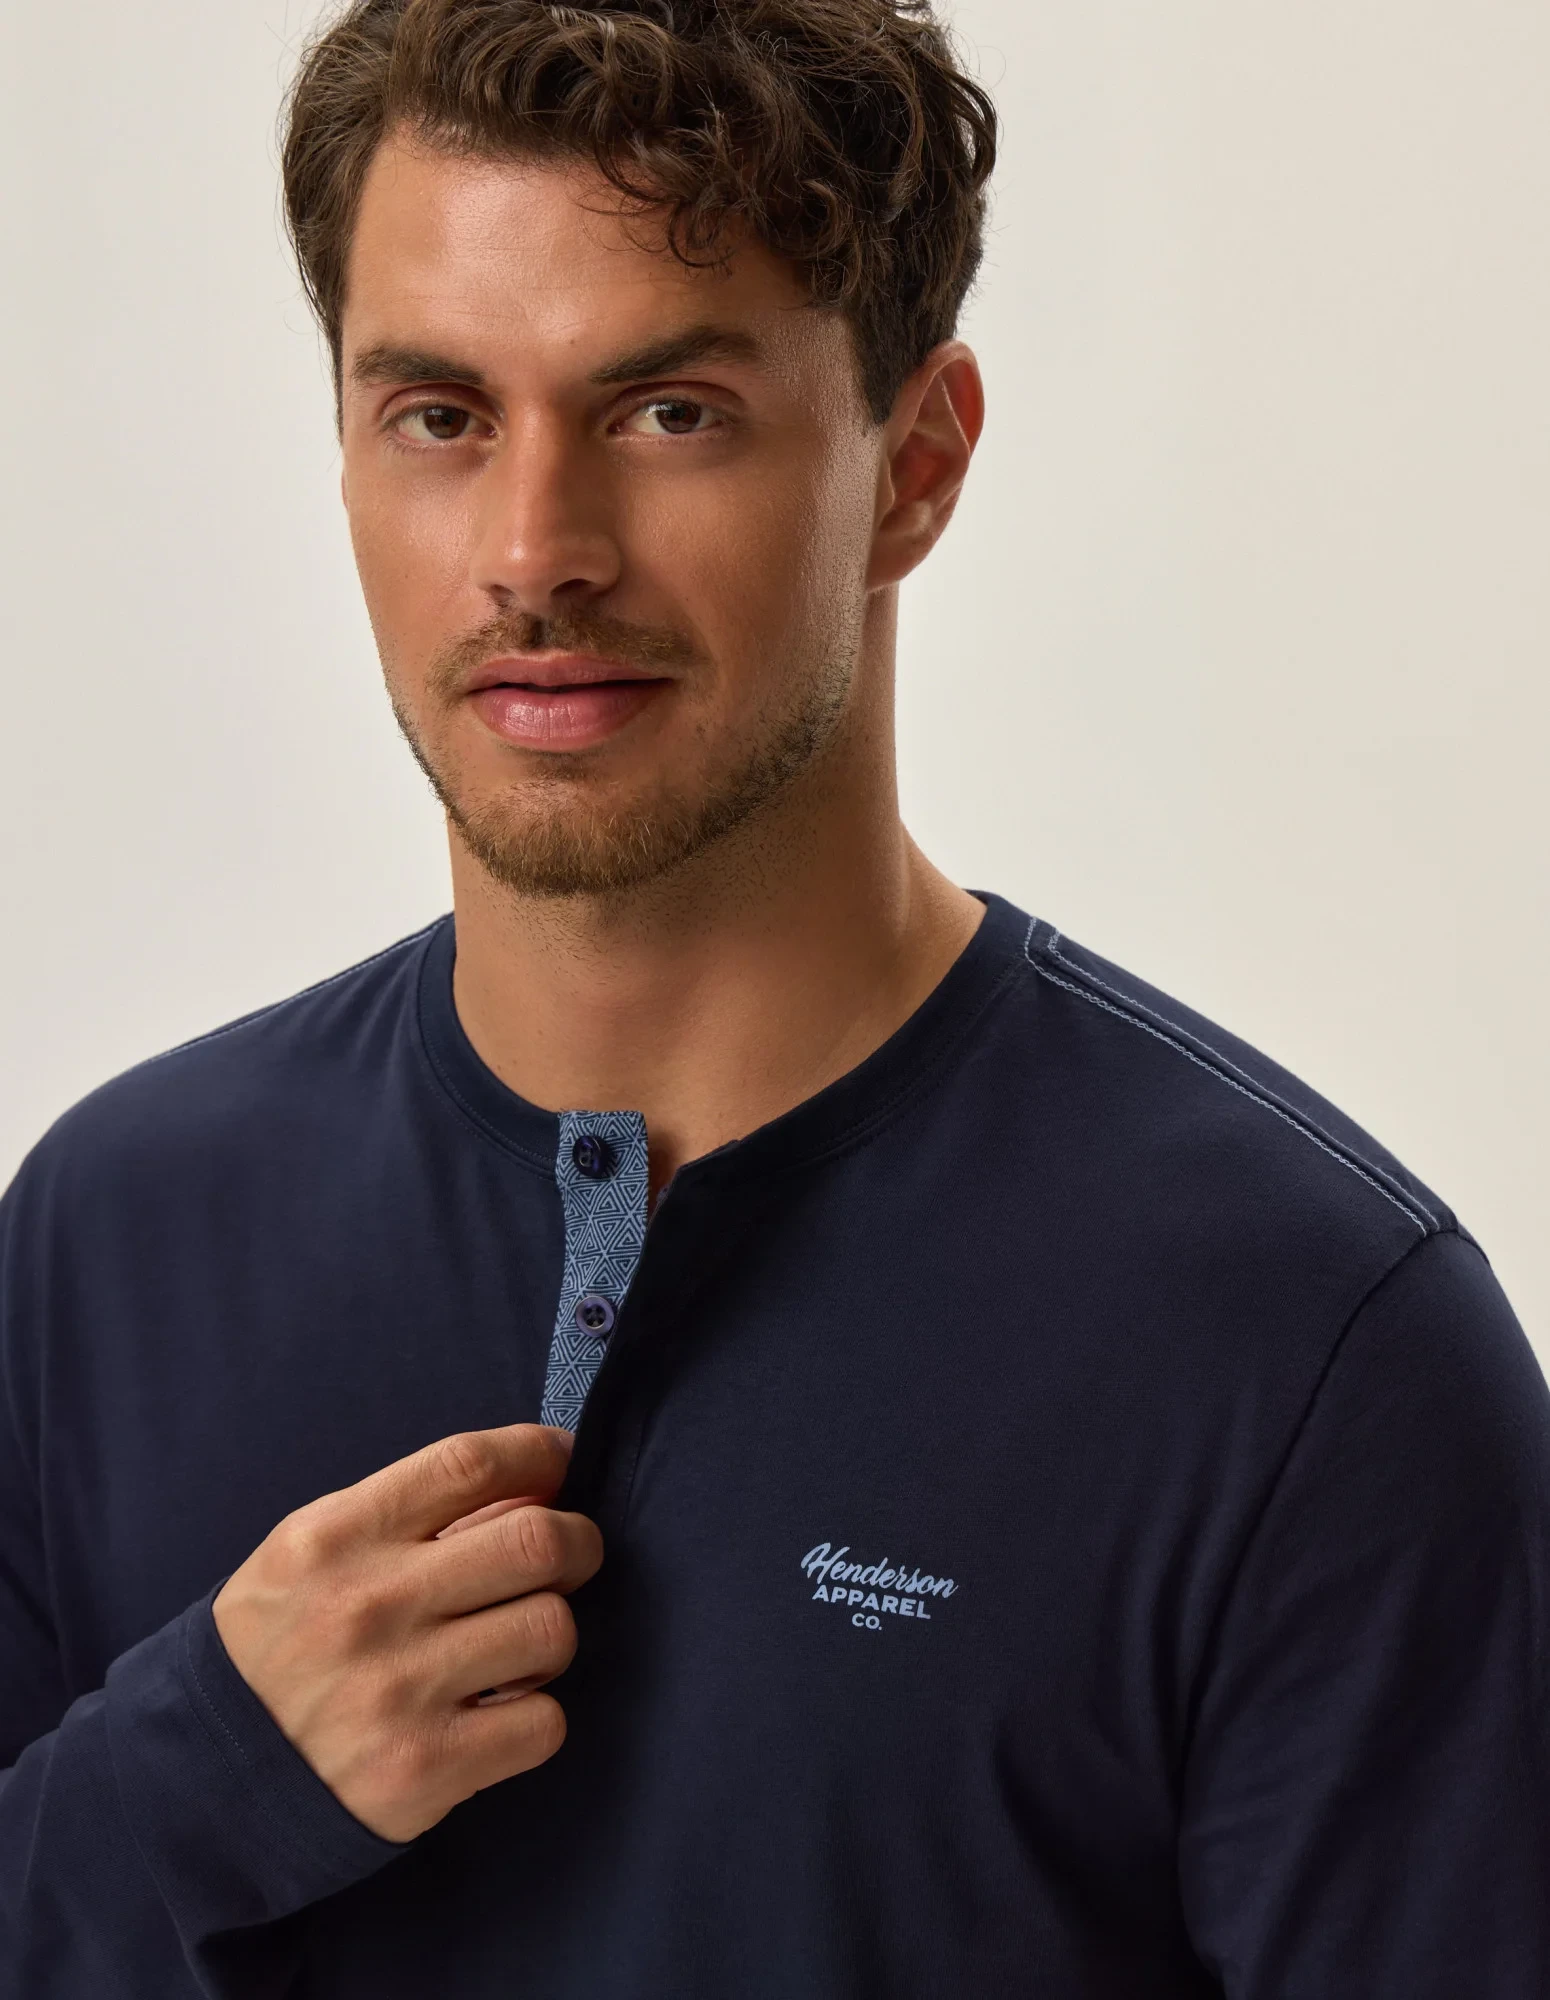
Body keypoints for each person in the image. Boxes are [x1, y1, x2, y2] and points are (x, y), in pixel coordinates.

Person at [2, 0, 1546, 1993]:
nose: (536, 553)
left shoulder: (1308, 1348)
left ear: (917, 465)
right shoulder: (110, 1235)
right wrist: (185, 1783)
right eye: (442, 415)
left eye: (669, 411)